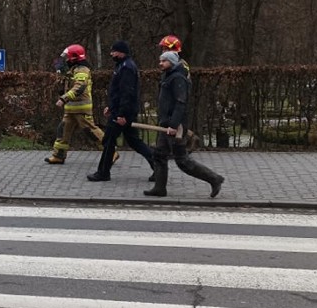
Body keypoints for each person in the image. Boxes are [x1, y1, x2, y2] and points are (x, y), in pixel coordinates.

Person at [144, 51, 223, 197]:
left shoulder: (178, 79)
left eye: (164, 61)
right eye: (160, 60)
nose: (160, 63)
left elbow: (181, 103)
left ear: (172, 62)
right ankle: (159, 188)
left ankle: (214, 179)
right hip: (165, 124)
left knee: (182, 161)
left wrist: (174, 125)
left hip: (175, 127)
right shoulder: (168, 76)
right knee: (159, 155)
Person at [87, 41, 154, 181]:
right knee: (134, 141)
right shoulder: (122, 66)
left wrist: (121, 114)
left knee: (109, 140)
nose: (111, 54)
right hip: (119, 111)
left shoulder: (126, 68)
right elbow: (117, 92)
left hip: (122, 113)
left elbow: (126, 93)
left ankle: (103, 172)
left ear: (121, 52)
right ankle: (158, 166)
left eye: (114, 51)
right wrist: (111, 107)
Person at [45, 44, 105, 164]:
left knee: (91, 131)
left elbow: (79, 87)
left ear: (74, 58)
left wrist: (63, 99)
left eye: (68, 57)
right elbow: (68, 84)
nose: (66, 59)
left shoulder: (82, 70)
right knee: (62, 131)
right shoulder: (73, 69)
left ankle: (111, 151)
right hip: (71, 108)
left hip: (81, 108)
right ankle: (59, 155)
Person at [157, 34, 199, 154]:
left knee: (178, 128)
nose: (163, 51)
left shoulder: (179, 66)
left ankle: (182, 146)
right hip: (172, 102)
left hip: (178, 100)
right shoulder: (171, 65)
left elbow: (181, 90)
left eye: (165, 48)